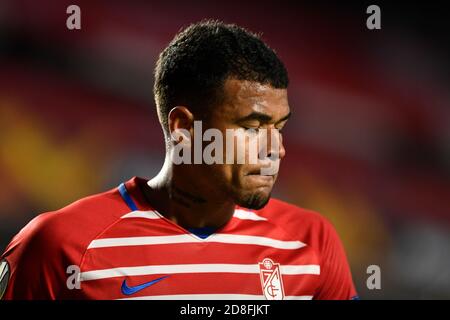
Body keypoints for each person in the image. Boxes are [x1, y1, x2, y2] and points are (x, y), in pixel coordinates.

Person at [0, 20, 357, 300]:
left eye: (279, 127)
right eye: (252, 127)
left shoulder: (311, 242)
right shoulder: (59, 244)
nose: (275, 149)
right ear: (184, 127)